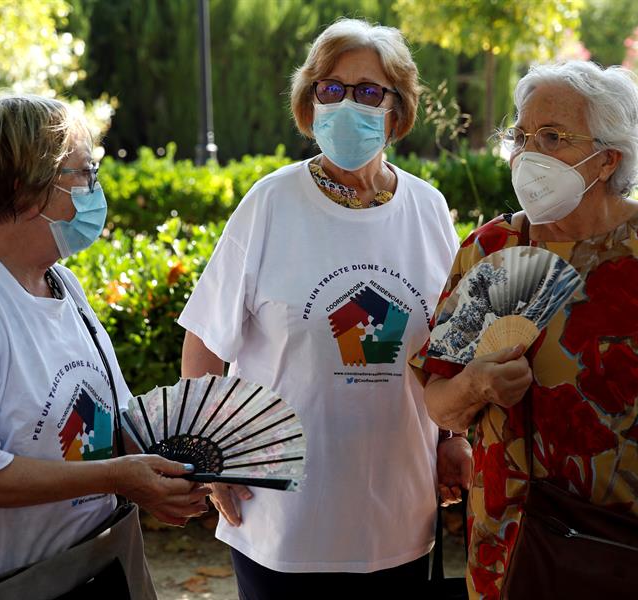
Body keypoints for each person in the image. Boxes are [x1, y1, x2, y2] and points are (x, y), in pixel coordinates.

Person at [409, 61, 638, 599]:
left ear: (607, 160)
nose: (528, 153)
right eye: (522, 135)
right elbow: (441, 406)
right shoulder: (492, 250)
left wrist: (635, 434)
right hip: (517, 544)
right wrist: (479, 383)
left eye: (552, 137)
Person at [0, 95, 210, 600]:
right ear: (25, 191)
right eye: (83, 172)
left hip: (86, 567)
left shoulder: (60, 282)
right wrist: (122, 477)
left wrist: (166, 473)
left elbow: (110, 421)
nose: (95, 188)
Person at [178, 18, 469, 599]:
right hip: (282, 519)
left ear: (398, 108)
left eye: (368, 91)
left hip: (399, 517)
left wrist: (450, 441)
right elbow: (205, 345)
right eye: (330, 89)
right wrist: (207, 461)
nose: (346, 105)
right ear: (310, 104)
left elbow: (449, 347)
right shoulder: (270, 202)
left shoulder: (428, 209)